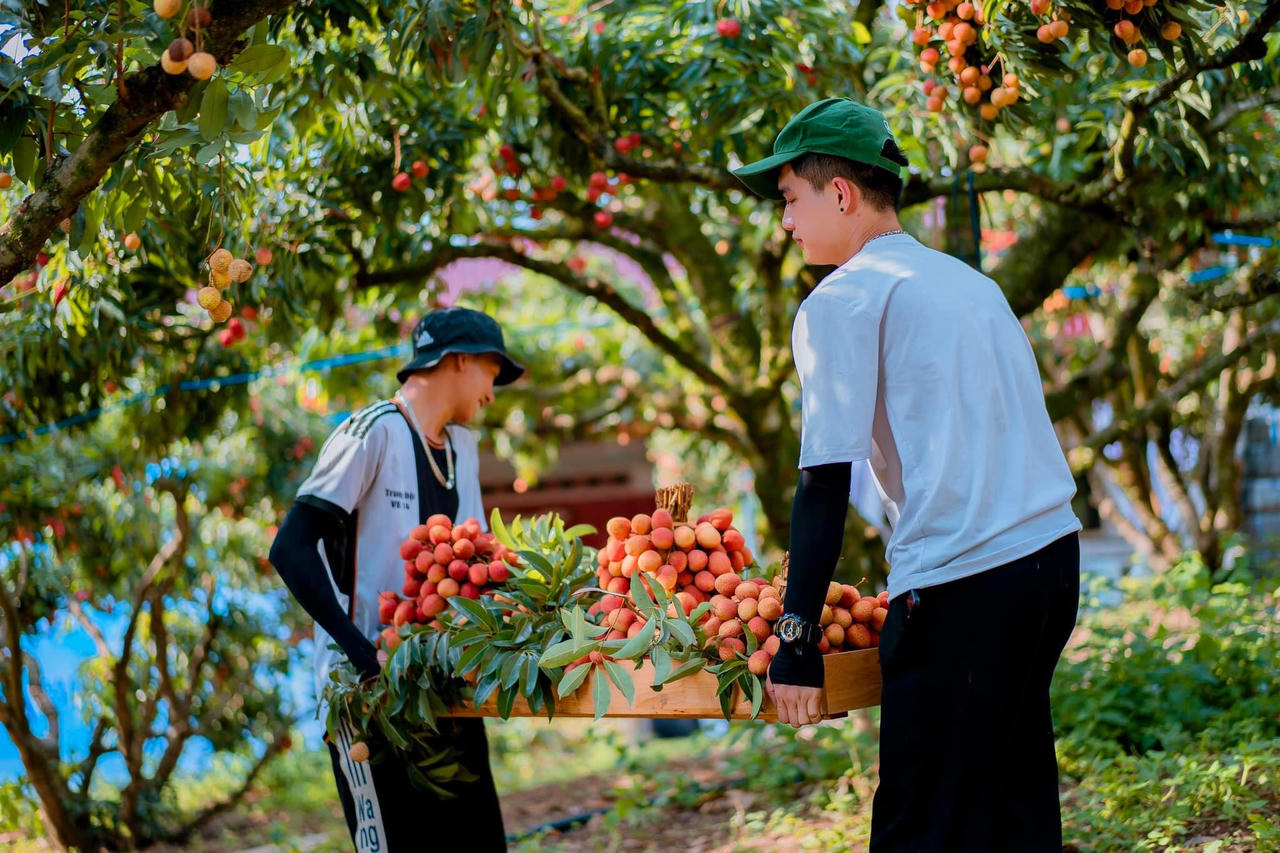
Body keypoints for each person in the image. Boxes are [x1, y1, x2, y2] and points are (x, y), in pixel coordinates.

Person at [732, 98, 1082, 851]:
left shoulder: (843, 299)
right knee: (1013, 808)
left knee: (919, 828)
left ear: (840, 193)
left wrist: (795, 639)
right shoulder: (969, 284)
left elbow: (824, 481)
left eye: (789, 199)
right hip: (1052, 564)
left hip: (966, 582)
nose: (785, 221)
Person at [269, 306, 523, 852]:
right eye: (493, 371)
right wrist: (363, 656)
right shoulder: (373, 431)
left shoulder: (462, 450)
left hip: (444, 688)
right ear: (459, 360)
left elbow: (472, 570)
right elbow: (289, 547)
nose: (493, 392)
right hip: (368, 698)